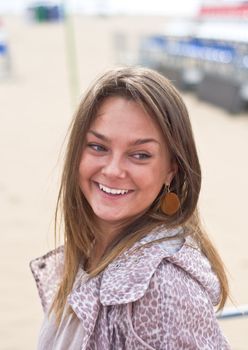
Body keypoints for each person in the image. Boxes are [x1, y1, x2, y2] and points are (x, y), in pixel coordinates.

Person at [30, 66, 231, 349]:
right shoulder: (87, 254)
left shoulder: (163, 289)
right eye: (98, 147)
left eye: (139, 155)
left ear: (170, 171)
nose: (113, 170)